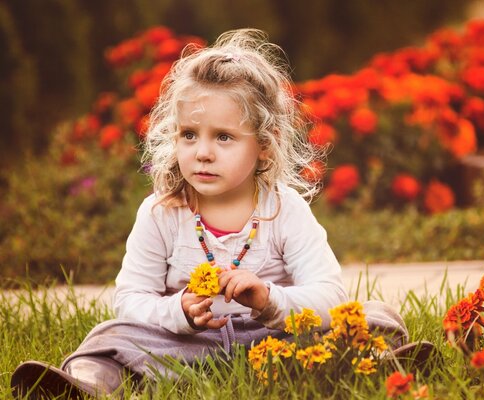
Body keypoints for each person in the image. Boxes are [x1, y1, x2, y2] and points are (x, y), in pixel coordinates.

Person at [11, 29, 428, 399]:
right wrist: (179, 313)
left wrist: (270, 300)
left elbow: (328, 294)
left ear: (265, 144)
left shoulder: (285, 211)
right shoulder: (161, 214)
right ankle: (87, 384)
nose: (203, 151)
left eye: (224, 137)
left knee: (373, 316)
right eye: (189, 135)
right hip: (186, 347)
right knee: (109, 336)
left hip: (276, 342)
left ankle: (384, 365)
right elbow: (130, 299)